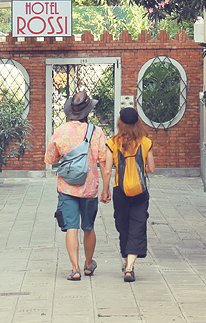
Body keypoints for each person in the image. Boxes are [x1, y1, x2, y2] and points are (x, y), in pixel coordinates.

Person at [44, 91, 108, 281]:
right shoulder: (97, 132)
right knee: (88, 227)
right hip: (89, 187)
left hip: (67, 187)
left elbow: (50, 159)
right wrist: (106, 189)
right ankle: (89, 264)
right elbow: (103, 162)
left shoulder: (60, 131)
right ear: (88, 111)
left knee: (71, 227)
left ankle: (75, 268)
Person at [100, 107, 155, 282]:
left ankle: (127, 263)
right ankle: (130, 267)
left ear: (120, 123)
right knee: (138, 226)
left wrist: (105, 190)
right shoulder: (146, 142)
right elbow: (151, 169)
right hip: (140, 191)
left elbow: (108, 170)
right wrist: (138, 167)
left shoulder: (112, 143)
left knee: (123, 226)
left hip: (120, 191)